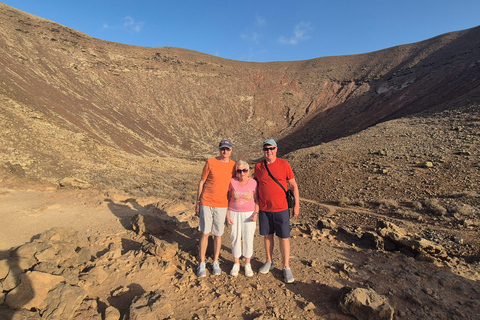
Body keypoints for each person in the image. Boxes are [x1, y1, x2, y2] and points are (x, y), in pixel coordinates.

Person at [254, 138, 300, 283]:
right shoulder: (259, 166)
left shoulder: (284, 164)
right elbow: (255, 186)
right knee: (267, 236)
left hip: (281, 208)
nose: (269, 152)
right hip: (265, 209)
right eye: (266, 149)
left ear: (276, 149)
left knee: (283, 237)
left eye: (271, 148)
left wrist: (297, 205)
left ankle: (286, 266)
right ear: (263, 151)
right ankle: (269, 261)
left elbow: (293, 185)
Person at [196, 139, 236, 277]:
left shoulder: (233, 166)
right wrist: (198, 201)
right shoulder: (210, 162)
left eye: (228, 149)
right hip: (206, 202)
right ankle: (201, 263)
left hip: (222, 204)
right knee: (205, 233)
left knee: (218, 234)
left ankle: (215, 261)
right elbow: (202, 181)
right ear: (219, 149)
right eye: (222, 149)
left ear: (231, 150)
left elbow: (235, 185)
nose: (225, 151)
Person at [226, 160, 259, 277]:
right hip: (234, 212)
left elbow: (257, 200)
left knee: (248, 237)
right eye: (239, 171)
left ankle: (247, 263)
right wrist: (227, 215)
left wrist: (256, 213)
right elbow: (228, 198)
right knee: (234, 236)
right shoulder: (232, 182)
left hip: (249, 214)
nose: (242, 173)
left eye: (244, 170)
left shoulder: (253, 183)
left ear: (248, 171)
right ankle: (236, 262)